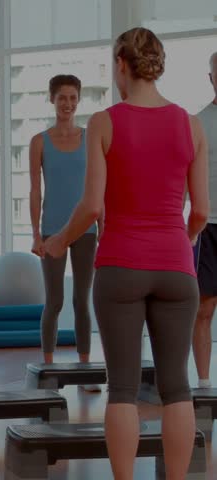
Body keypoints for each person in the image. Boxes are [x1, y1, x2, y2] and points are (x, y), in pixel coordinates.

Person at [44, 27, 209, 480]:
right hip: (176, 267)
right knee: (177, 388)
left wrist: (58, 240)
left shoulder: (104, 121)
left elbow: (93, 205)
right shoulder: (189, 124)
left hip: (120, 265)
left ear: (121, 64)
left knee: (121, 388)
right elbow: (202, 211)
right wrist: (182, 243)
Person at [29, 74, 100, 391]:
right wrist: (35, 235)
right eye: (62, 98)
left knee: (81, 300)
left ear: (78, 100)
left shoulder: (91, 138)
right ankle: (47, 370)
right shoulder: (39, 141)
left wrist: (106, 228)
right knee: (54, 300)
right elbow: (34, 192)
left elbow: (101, 189)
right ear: (52, 99)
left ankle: (85, 370)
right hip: (51, 230)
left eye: (73, 98)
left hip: (85, 230)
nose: (68, 104)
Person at [192, 51, 217, 389]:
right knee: (203, 309)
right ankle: (203, 385)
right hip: (208, 225)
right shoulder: (198, 122)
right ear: (211, 76)